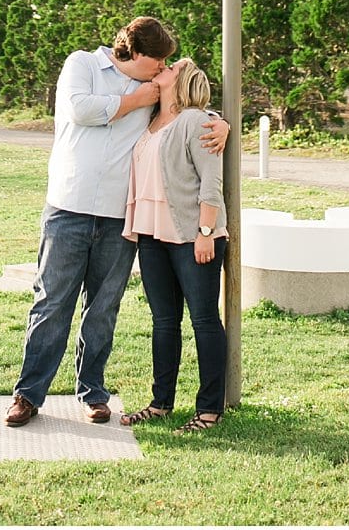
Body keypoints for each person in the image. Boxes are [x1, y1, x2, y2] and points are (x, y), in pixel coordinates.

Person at [5, 16, 228, 428]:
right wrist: (138, 100)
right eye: (159, 61)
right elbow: (81, 109)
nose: (163, 69)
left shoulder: (155, 89)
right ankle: (28, 395)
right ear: (137, 54)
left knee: (104, 308)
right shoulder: (84, 65)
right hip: (67, 208)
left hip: (120, 219)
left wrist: (221, 122)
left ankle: (93, 393)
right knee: (52, 303)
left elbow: (186, 112)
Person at [121, 58, 229, 435]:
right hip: (152, 236)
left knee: (203, 321)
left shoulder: (196, 121)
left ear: (180, 79)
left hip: (191, 237)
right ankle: (160, 403)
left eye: (171, 67)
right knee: (164, 322)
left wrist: (205, 231)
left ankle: (210, 409)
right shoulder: (151, 120)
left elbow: (210, 181)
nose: (162, 68)